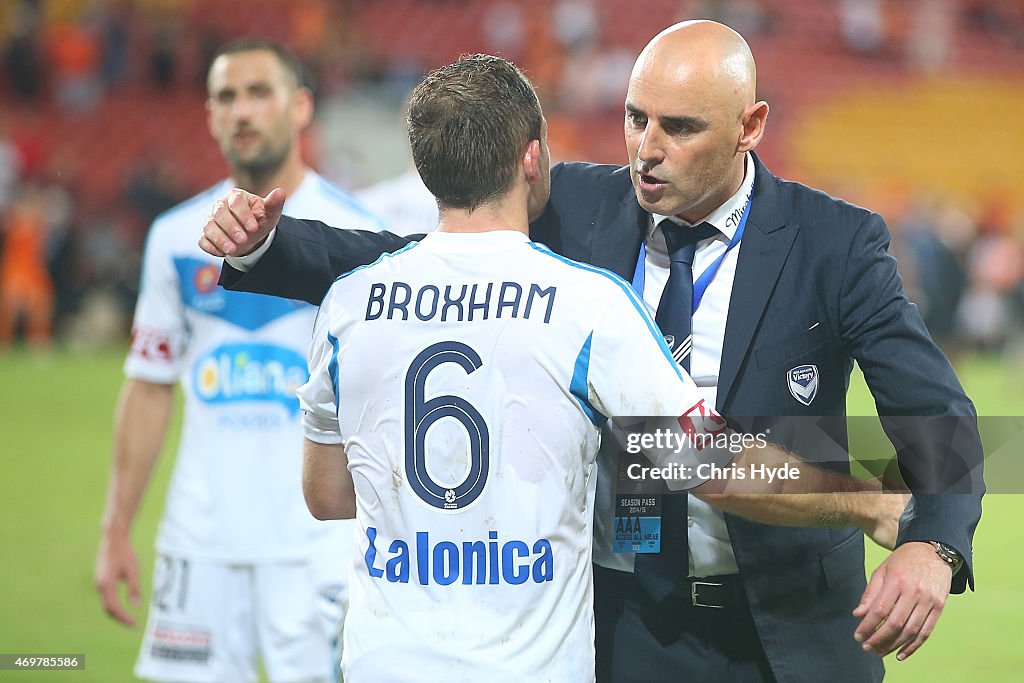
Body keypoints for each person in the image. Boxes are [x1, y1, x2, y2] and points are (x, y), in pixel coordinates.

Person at [199, 22, 983, 683]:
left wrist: (932, 540)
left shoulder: (835, 242)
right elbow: (425, 253)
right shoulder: (577, 206)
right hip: (628, 621)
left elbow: (938, 416)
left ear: (750, 126)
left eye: (679, 128)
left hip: (791, 622)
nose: (646, 149)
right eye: (635, 118)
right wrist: (268, 248)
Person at [94, 39, 384, 683]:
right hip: (200, 544)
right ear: (209, 115)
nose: (242, 111)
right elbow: (148, 386)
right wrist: (117, 528)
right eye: (226, 96)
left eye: (260, 93)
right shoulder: (175, 237)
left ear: (301, 106)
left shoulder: (355, 236)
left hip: (317, 549)